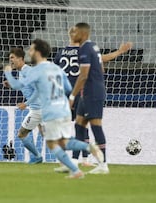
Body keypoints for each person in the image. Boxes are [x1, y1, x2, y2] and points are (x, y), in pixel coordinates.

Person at [4, 38, 104, 179]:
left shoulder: (36, 71)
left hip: (48, 110)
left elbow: (21, 85)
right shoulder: (55, 68)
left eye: (32, 50)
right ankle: (78, 166)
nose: (30, 52)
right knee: (60, 141)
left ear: (38, 53)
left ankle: (85, 152)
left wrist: (8, 72)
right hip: (61, 108)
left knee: (53, 143)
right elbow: (68, 87)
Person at [53, 27, 132, 170]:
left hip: (69, 93)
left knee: (73, 126)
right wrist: (119, 52)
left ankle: (78, 160)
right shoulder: (85, 50)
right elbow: (102, 61)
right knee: (82, 127)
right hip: (81, 91)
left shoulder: (61, 52)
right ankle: (81, 160)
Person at [68, 22, 109, 174]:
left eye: (75, 32)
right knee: (79, 125)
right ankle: (73, 162)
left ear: (83, 33)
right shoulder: (93, 46)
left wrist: (72, 95)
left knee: (96, 126)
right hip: (88, 93)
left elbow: (84, 74)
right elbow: (101, 68)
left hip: (92, 93)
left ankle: (103, 165)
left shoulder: (85, 48)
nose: (73, 35)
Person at [2, 48, 43, 164]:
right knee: (46, 134)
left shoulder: (28, 72)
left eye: (12, 58)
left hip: (38, 109)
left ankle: (37, 157)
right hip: (40, 108)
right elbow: (25, 87)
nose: (11, 61)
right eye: (10, 58)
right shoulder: (22, 72)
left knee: (22, 133)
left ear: (20, 59)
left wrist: (26, 104)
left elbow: (38, 91)